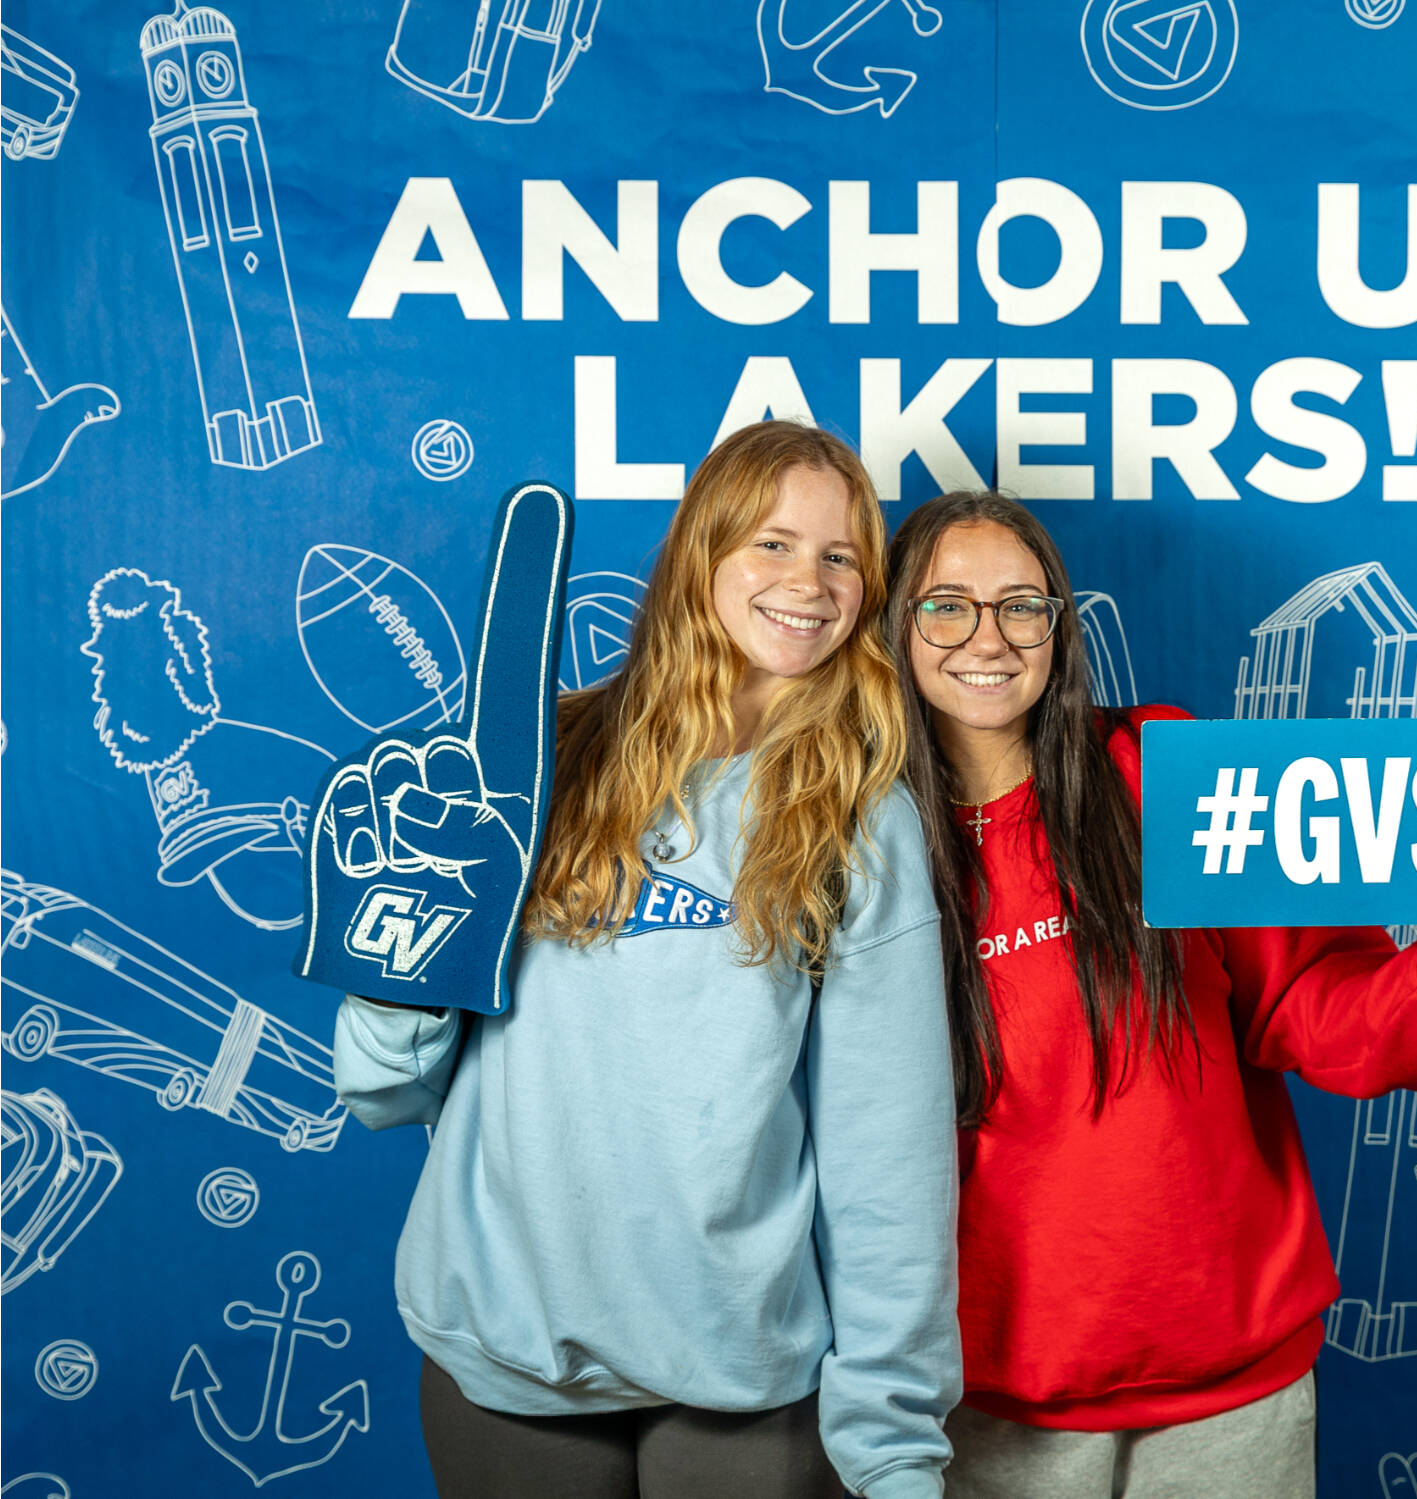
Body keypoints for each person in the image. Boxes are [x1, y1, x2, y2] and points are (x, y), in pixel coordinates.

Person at [332, 422, 960, 1499]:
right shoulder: (540, 756)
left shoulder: (858, 815)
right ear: (700, 554)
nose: (806, 581)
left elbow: (887, 1158)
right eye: (770, 543)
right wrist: (404, 957)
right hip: (502, 1351)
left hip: (737, 1375)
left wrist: (893, 1442)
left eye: (840, 555)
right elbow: (384, 1090)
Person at [884, 491, 1417, 1499]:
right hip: (981, 1393)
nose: (989, 636)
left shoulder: (1163, 771)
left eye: (1022, 605)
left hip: (1228, 1386)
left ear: (1060, 628)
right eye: (946, 605)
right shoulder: (856, 839)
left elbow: (1316, 1008)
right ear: (897, 625)